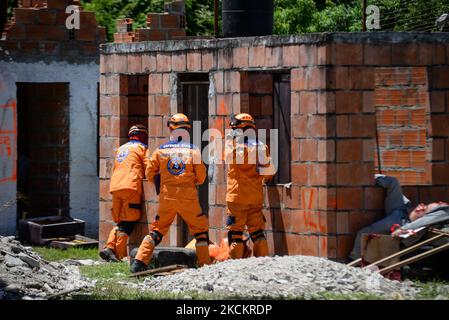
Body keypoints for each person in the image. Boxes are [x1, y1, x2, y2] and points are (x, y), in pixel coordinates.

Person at [130, 113, 211, 273]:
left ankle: (139, 262)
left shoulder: (161, 150)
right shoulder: (193, 150)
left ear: (171, 129)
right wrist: (191, 181)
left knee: (157, 230)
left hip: (167, 198)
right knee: (200, 232)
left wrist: (161, 184)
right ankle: (205, 267)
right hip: (188, 198)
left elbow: (149, 173)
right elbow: (201, 177)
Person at [349, 174, 449, 260]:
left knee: (364, 232)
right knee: (393, 182)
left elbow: (424, 221)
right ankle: (362, 177)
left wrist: (403, 229)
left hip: (402, 222)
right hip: (404, 209)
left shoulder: (446, 211)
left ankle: (354, 259)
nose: (441, 202)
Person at [224, 113, 276, 259]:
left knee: (235, 235)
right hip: (255, 197)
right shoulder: (261, 146)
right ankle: (262, 265)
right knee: (258, 233)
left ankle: (235, 269)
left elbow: (227, 158)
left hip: (237, 197)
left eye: (234, 128)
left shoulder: (232, 146)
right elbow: (269, 171)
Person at [99, 124, 149, 262]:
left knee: (120, 221)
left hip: (115, 186)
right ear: (143, 135)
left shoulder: (121, 148)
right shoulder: (142, 148)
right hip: (130, 185)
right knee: (128, 222)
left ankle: (109, 248)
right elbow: (149, 168)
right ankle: (121, 256)